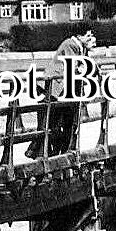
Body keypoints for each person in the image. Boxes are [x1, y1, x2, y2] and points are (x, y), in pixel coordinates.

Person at [27, 30, 97, 158]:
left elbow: (87, 66)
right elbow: (74, 66)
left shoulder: (81, 47)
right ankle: (37, 150)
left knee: (60, 121)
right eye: (88, 36)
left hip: (63, 88)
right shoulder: (70, 44)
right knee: (51, 121)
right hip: (54, 86)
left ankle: (54, 150)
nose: (91, 39)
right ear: (79, 36)